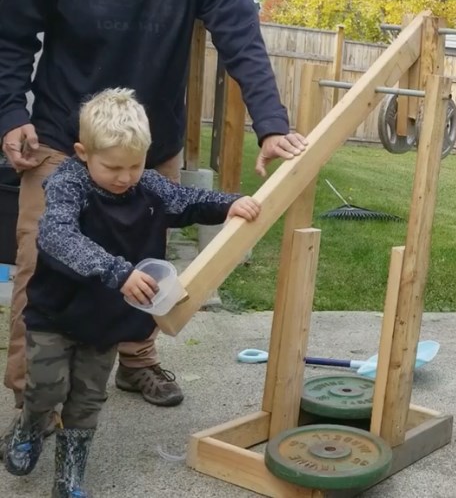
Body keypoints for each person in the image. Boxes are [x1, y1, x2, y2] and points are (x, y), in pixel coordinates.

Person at [0, 0, 307, 416]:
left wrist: (271, 124)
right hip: (65, 137)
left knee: (143, 255)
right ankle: (33, 399)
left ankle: (136, 358)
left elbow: (241, 39)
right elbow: (12, 37)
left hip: (148, 145)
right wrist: (10, 113)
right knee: (41, 259)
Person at [3, 88, 262, 497]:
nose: (125, 177)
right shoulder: (68, 183)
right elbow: (56, 236)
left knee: (88, 398)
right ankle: (31, 425)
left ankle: (69, 478)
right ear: (82, 152)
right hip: (55, 314)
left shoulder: (150, 186)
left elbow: (189, 200)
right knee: (47, 388)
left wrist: (231, 204)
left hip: (105, 320)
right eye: (114, 166)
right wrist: (117, 271)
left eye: (136, 165)